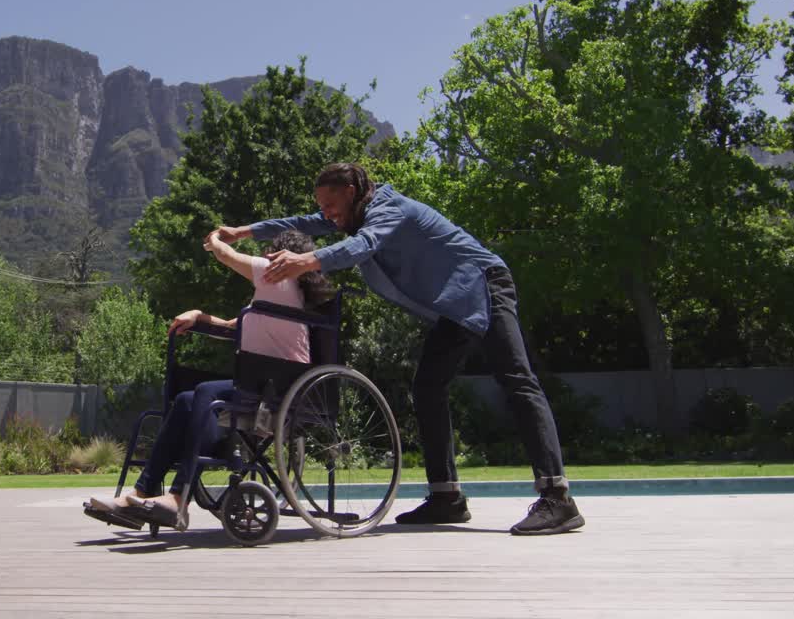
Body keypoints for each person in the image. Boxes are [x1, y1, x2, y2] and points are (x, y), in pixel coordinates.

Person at [213, 162, 585, 536]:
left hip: (483, 285)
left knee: (517, 380)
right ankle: (446, 497)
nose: (326, 213)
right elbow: (304, 223)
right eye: (322, 206)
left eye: (332, 204)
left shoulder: (388, 210)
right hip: (454, 308)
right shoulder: (351, 217)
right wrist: (243, 231)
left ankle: (557, 496)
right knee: (427, 388)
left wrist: (306, 261)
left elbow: (364, 246)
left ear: (355, 193)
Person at [85, 229, 330, 529]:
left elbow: (227, 256)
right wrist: (199, 316)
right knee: (187, 400)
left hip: (276, 393)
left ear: (282, 256)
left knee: (203, 392)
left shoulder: (277, 276)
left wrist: (214, 241)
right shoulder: (282, 296)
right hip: (261, 389)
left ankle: (178, 499)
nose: (266, 256)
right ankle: (142, 491)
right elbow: (230, 326)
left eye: (271, 251)